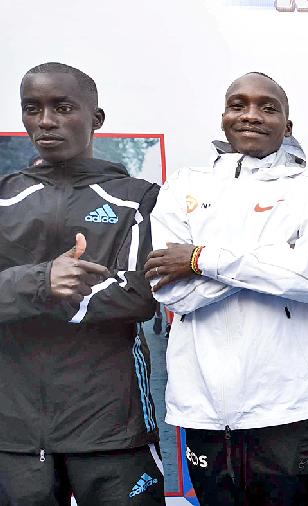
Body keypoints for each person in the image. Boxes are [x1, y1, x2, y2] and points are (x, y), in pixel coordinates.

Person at [147, 72, 308, 505]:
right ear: (223, 117)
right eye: (238, 105)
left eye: (267, 107)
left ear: (287, 126)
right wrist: (279, 258)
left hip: (288, 407)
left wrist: (202, 259)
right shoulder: (184, 184)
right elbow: (171, 291)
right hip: (202, 404)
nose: (251, 115)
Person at [0, 62, 163, 505]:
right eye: (32, 109)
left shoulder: (139, 197)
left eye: (63, 107)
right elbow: (73, 287)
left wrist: (23, 296)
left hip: (113, 429)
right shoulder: (4, 197)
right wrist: (42, 281)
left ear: (96, 118)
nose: (46, 121)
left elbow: (138, 295)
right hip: (15, 433)